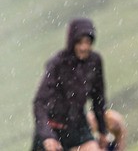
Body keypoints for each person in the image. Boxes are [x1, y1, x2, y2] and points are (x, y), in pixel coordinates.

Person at [32, 18, 110, 151]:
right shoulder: (57, 64)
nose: (84, 47)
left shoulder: (94, 62)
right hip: (52, 127)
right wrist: (47, 136)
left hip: (77, 125)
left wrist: (103, 131)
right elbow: (39, 102)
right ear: (72, 42)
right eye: (79, 42)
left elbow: (98, 100)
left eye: (88, 42)